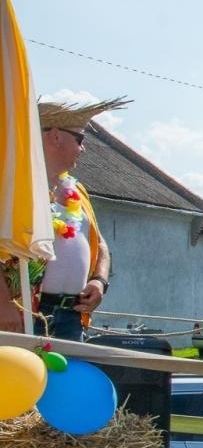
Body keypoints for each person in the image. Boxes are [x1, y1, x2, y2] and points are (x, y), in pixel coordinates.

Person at [2, 99, 125, 340]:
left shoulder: (77, 190)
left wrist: (99, 281)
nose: (83, 148)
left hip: (72, 315)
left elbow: (100, 245)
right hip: (22, 314)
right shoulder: (13, 187)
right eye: (79, 139)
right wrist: (3, 302)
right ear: (56, 136)